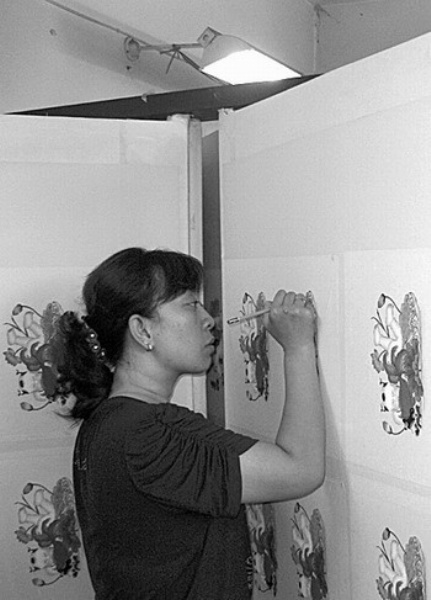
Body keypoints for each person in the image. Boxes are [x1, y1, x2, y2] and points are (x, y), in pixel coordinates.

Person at [51, 247, 325, 600]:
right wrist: (298, 348)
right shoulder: (149, 434)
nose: (209, 319)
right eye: (190, 305)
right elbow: (301, 469)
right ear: (142, 330)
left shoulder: (106, 421)